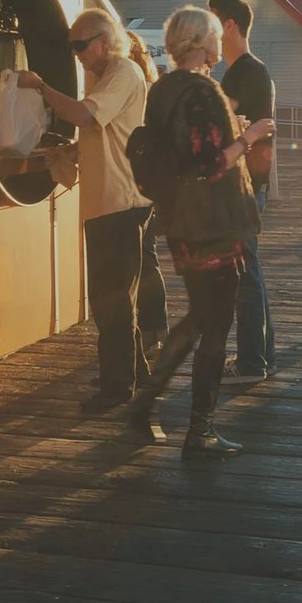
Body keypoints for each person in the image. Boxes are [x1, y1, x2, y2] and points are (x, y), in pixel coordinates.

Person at [132, 7, 273, 457]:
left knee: (197, 316)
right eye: (213, 36)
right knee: (215, 326)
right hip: (214, 223)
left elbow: (180, 151)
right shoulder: (204, 91)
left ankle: (146, 400)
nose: (219, 43)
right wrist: (249, 137)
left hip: (180, 221)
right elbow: (210, 164)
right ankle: (201, 430)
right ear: (201, 42)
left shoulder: (163, 89)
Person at [13, 9, 150, 415]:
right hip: (108, 202)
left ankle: (116, 387)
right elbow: (104, 131)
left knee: (111, 301)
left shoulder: (122, 72)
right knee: (116, 298)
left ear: (104, 42)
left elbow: (84, 115)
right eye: (71, 46)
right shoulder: (103, 76)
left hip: (119, 202)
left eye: (81, 45)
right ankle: (132, 371)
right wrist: (74, 151)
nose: (76, 54)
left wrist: (41, 86)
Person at [208, 0, 276, 388]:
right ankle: (262, 355)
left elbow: (219, 124)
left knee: (245, 273)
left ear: (230, 25)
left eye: (213, 24)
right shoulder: (250, 70)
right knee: (251, 270)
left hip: (244, 186)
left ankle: (252, 362)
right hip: (252, 184)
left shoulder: (243, 73)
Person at [127, 29, 169, 366]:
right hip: (152, 181)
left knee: (142, 259)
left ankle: (150, 330)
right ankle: (156, 329)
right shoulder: (151, 86)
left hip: (137, 182)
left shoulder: (131, 86)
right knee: (148, 256)